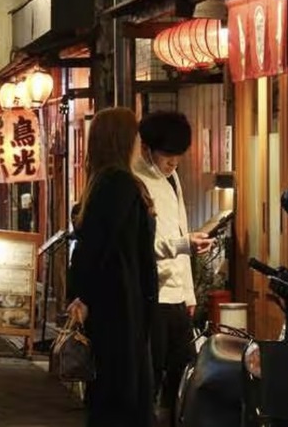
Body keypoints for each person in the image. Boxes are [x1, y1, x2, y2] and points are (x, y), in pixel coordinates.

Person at [67, 107, 159, 427]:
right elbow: (101, 248)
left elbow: (89, 247)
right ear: (123, 140)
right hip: (121, 306)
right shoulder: (119, 184)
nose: (139, 143)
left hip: (113, 306)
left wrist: (80, 294)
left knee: (109, 393)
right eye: (135, 136)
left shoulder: (102, 183)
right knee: (123, 395)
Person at [134, 111, 214, 426]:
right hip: (152, 296)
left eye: (178, 159)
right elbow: (140, 246)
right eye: (168, 158)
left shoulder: (172, 177)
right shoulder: (136, 180)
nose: (173, 165)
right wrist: (184, 244)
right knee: (151, 373)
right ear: (146, 148)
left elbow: (179, 230)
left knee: (183, 370)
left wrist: (189, 292)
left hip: (176, 297)